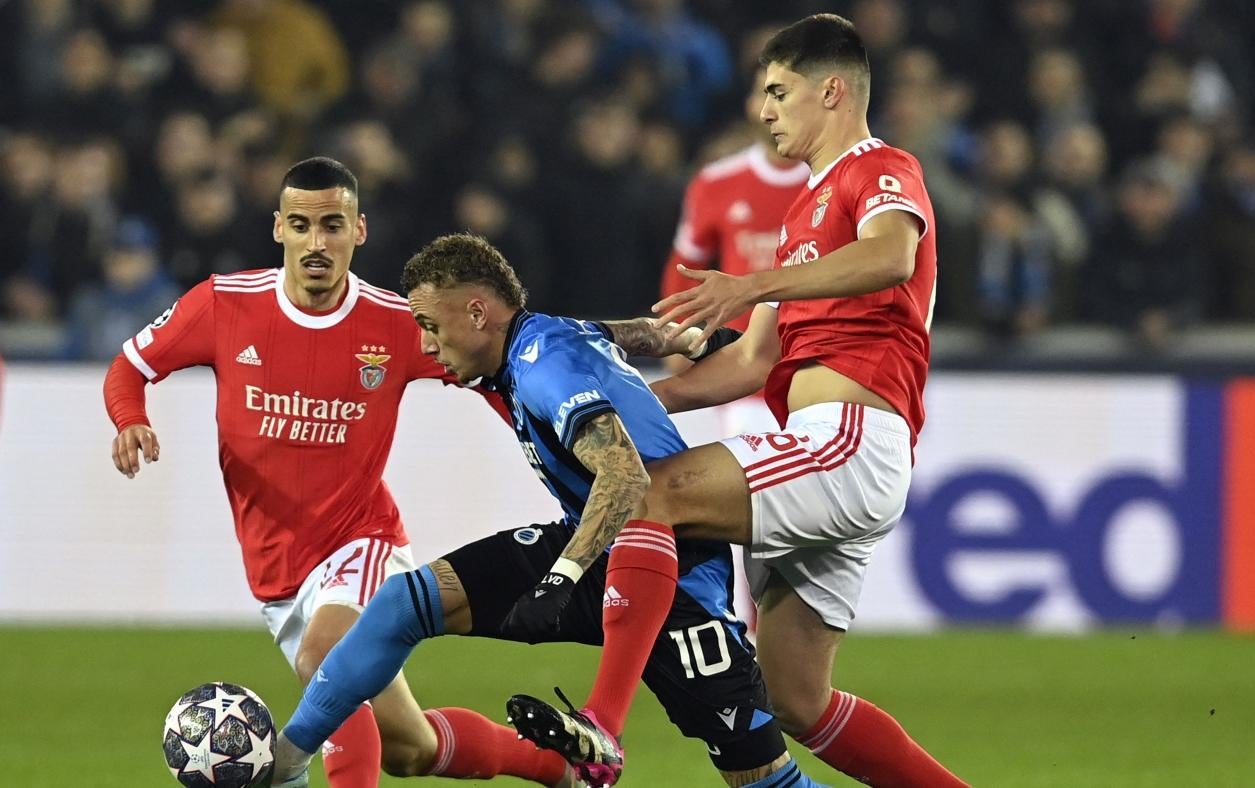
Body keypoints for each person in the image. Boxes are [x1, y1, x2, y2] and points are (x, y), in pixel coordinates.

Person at [506, 15, 967, 787]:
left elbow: (893, 255)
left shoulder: (879, 167)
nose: (765, 110)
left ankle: (604, 728)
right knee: (798, 699)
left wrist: (750, 282)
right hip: (822, 447)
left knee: (650, 496)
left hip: (851, 437)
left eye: (780, 92)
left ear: (833, 90)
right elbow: (752, 363)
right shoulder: (798, 219)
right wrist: (629, 395)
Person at [268, 232, 824, 788]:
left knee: (762, 781)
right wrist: (687, 337)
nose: (428, 345)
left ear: (478, 312)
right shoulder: (544, 342)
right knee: (400, 604)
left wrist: (561, 579)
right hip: (594, 544)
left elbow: (627, 477)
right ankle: (288, 761)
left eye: (431, 326)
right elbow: (625, 335)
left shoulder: (542, 369)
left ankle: (598, 743)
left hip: (672, 574)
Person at [102, 158, 575, 788]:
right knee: (409, 747)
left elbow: (495, 367)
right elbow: (129, 368)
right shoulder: (223, 304)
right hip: (276, 573)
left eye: (332, 225)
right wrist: (130, 418)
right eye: (301, 225)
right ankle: (559, 767)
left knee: (324, 657)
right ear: (279, 230)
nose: (317, 242)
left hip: (363, 542)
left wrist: (554, 433)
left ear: (359, 230)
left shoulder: (396, 322)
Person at [659, 65, 809, 341]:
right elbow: (683, 270)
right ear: (749, 104)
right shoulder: (714, 181)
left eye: (782, 94)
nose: (771, 106)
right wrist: (677, 337)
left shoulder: (836, 178)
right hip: (738, 356)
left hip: (815, 354)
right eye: (763, 93)